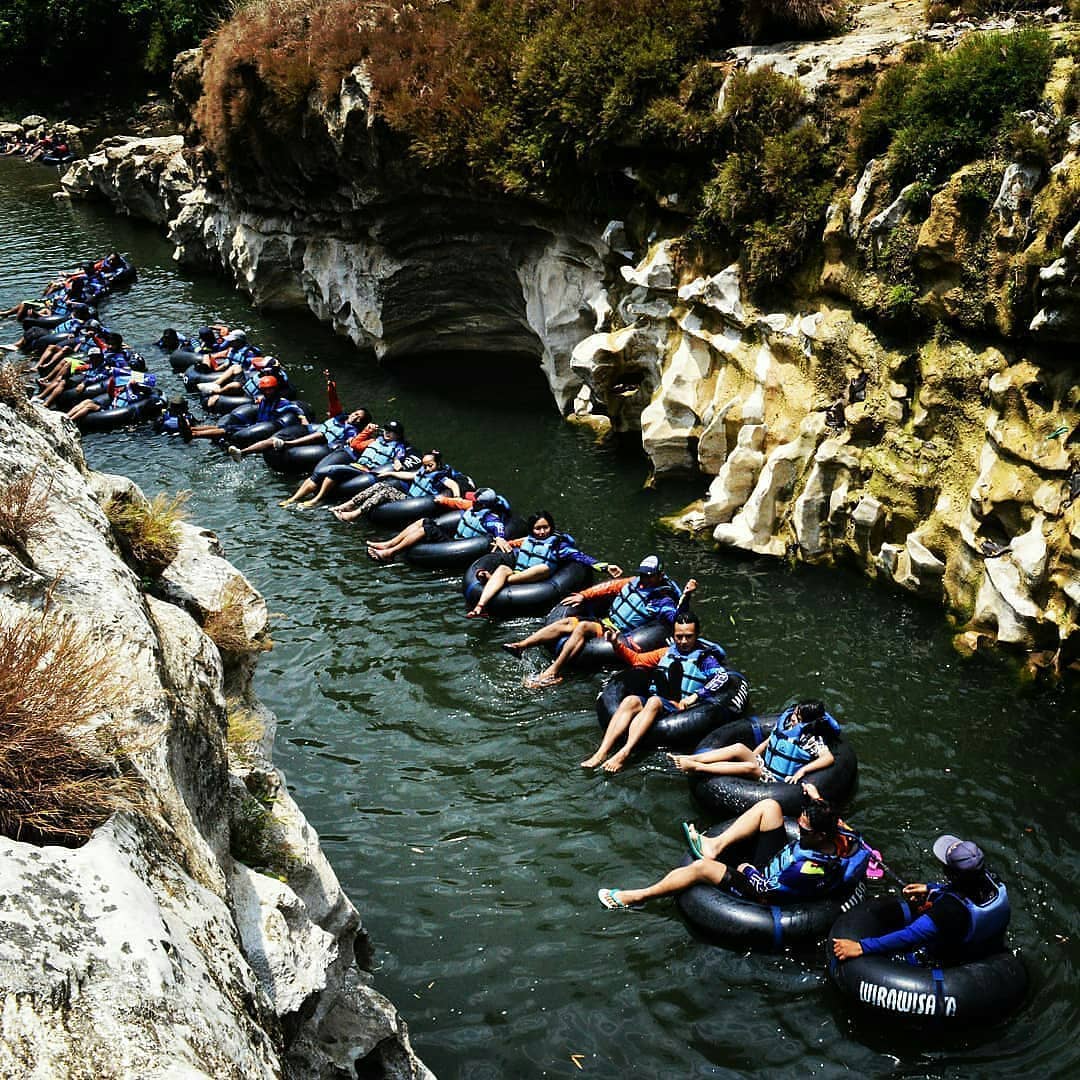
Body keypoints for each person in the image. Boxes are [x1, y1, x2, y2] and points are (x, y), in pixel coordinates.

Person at [598, 782, 867, 910]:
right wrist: (817, 798)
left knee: (700, 869)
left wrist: (746, 868)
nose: (799, 827)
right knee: (769, 807)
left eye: (805, 828)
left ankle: (636, 897)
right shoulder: (841, 836)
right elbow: (845, 828)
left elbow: (766, 890)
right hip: (779, 863)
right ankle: (714, 845)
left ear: (820, 835)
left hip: (763, 889)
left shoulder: (808, 868)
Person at [581, 606, 729, 772]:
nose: (684, 641)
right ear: (673, 636)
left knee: (654, 701)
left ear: (696, 635)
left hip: (681, 708)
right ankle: (601, 752)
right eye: (679, 637)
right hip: (659, 701)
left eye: (689, 637)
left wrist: (695, 697)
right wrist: (616, 644)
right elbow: (636, 659)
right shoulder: (666, 652)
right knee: (630, 700)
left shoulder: (704, 659)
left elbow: (722, 677)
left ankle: (624, 753)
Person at [503, 554, 686, 688]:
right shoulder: (634, 581)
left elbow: (674, 618)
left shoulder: (662, 600)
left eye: (648, 575)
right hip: (606, 621)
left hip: (620, 634)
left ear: (659, 576)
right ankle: (522, 646)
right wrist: (583, 595)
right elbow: (609, 587)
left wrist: (686, 598)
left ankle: (552, 672)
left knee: (582, 627)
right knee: (565, 623)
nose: (644, 578)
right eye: (643, 574)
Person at [832, 835, 1011, 965]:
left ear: (951, 873)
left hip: (956, 958)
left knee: (904, 956)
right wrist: (930, 888)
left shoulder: (949, 910)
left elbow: (910, 934)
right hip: (986, 945)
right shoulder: (991, 880)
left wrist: (862, 947)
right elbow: (964, 890)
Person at [466, 510, 621, 618]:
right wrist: (502, 542)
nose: (541, 532)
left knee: (542, 567)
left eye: (545, 528)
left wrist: (605, 567)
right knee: (502, 568)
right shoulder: (527, 540)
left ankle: (493, 580)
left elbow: (581, 557)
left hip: (539, 578)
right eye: (537, 528)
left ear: (551, 527)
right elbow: (512, 544)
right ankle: (480, 607)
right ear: (532, 529)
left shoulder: (558, 545)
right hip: (518, 574)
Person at [668, 700, 837, 785]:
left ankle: (697, 767)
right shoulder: (785, 724)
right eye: (795, 714)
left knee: (751, 768)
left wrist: (802, 771)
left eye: (798, 718)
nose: (793, 718)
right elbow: (769, 741)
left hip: (776, 780)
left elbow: (828, 758)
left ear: (808, 723)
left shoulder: (811, 739)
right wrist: (754, 754)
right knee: (740, 748)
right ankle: (691, 758)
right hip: (763, 765)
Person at [281, 419, 409, 509]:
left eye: (391, 431)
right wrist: (367, 431)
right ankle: (293, 499)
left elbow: (399, 457)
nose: (387, 432)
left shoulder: (398, 447)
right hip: (355, 466)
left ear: (397, 435)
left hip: (366, 471)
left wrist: (397, 462)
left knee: (334, 470)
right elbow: (354, 444)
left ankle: (316, 500)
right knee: (319, 472)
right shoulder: (374, 441)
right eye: (386, 429)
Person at [366, 487, 511, 562]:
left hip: (458, 546)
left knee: (427, 529)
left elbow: (499, 530)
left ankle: (389, 554)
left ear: (482, 504)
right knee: (423, 521)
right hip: (453, 538)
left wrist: (500, 538)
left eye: (475, 500)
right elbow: (458, 502)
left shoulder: (491, 519)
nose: (472, 501)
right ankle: (388, 544)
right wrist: (442, 500)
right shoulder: (473, 507)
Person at [330, 449, 462, 520]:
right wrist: (390, 474)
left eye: (430, 466)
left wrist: (457, 497)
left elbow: (453, 484)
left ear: (438, 464)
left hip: (416, 503)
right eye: (425, 465)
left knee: (385, 492)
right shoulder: (423, 471)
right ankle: (348, 505)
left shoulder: (440, 477)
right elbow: (410, 475)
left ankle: (355, 514)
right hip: (408, 498)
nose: (427, 468)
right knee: (379, 486)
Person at [182, 375, 307, 442]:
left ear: (275, 389)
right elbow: (256, 400)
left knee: (228, 430)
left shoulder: (282, 403)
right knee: (223, 427)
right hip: (255, 424)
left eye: (270, 389)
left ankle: (194, 435)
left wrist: (303, 420)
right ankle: (192, 429)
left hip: (264, 429)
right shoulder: (263, 399)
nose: (267, 392)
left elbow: (297, 409)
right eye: (265, 390)